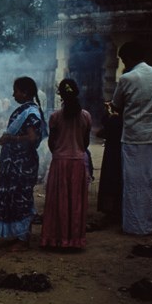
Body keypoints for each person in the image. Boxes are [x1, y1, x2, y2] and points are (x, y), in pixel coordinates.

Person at [112, 41, 152, 236]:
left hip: (135, 138)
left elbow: (116, 106)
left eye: (122, 59)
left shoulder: (126, 78)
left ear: (128, 58)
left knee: (135, 184)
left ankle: (136, 226)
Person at [0, 76, 45, 251]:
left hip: (22, 164)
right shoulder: (26, 110)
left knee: (22, 198)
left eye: (15, 90)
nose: (13, 94)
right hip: (15, 164)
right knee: (14, 198)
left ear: (24, 93)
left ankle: (24, 239)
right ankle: (17, 234)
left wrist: (10, 139)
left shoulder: (30, 112)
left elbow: (32, 138)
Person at [40, 79, 92, 249]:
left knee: (58, 201)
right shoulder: (86, 116)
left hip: (60, 164)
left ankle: (55, 239)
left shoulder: (55, 117)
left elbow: (52, 143)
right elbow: (85, 143)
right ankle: (75, 240)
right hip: (77, 164)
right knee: (75, 202)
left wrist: (60, 151)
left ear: (60, 95)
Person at [96, 101, 123, 224]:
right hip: (123, 154)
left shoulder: (113, 120)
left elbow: (100, 132)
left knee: (109, 182)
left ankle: (109, 211)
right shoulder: (126, 121)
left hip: (111, 154)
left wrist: (108, 113)